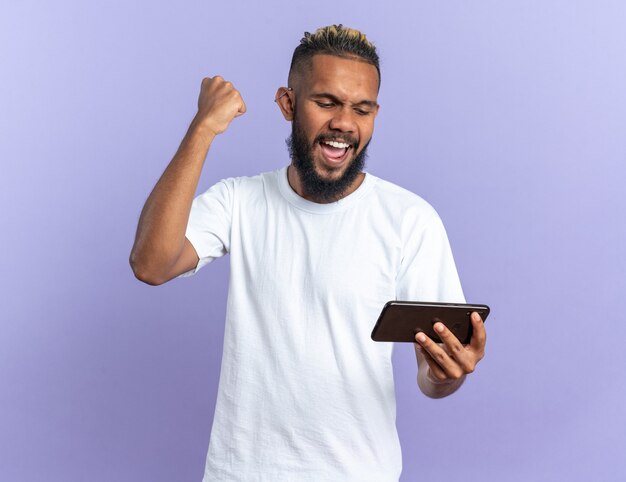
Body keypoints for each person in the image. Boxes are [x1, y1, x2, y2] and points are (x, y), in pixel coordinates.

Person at [130, 24, 486, 482]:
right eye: (326, 102)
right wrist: (202, 129)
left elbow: (432, 376)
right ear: (287, 103)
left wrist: (447, 374)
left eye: (363, 109)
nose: (344, 123)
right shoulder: (240, 201)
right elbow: (150, 264)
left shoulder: (410, 219)